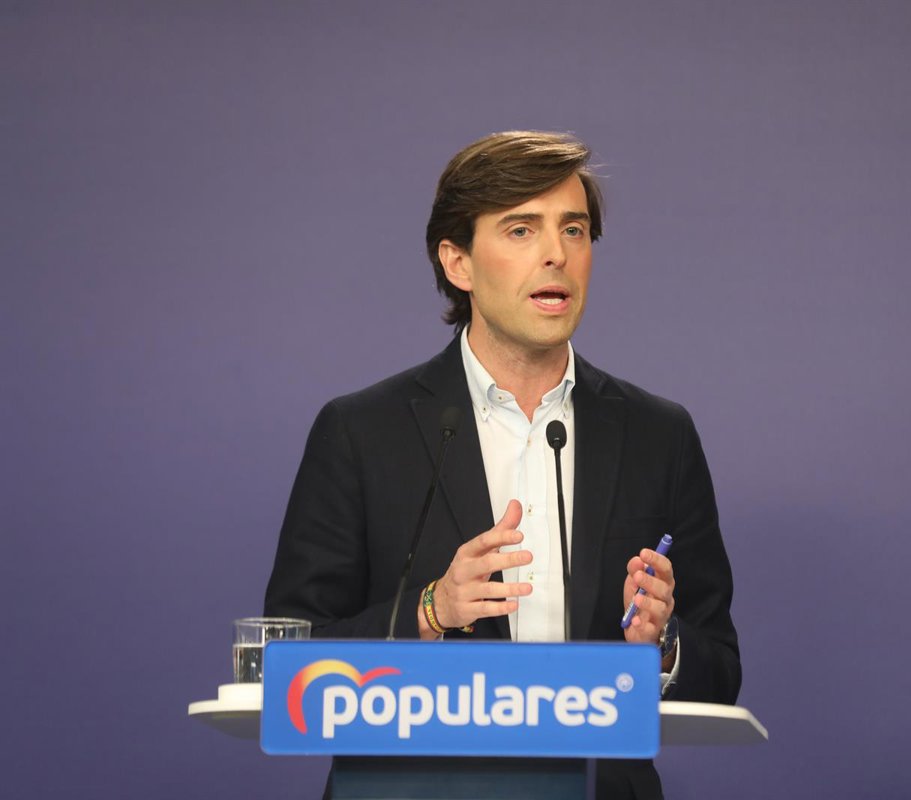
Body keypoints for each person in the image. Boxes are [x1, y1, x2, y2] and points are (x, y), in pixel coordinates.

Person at [265, 131, 739, 799]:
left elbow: (720, 672)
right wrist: (430, 610)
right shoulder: (361, 431)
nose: (556, 254)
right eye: (521, 230)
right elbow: (291, 660)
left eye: (573, 230)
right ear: (458, 262)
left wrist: (662, 645)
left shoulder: (658, 435)